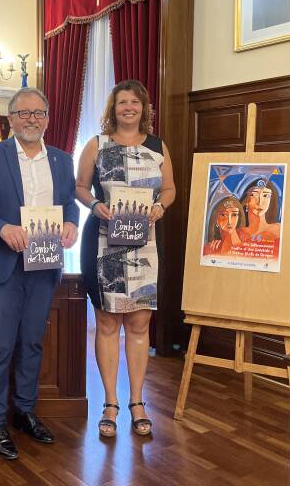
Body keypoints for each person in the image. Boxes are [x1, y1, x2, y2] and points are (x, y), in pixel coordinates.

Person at [0, 87, 79, 460]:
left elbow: (69, 204)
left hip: (44, 265)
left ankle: (24, 411)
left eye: (38, 113)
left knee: (32, 343)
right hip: (1, 267)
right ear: (11, 119)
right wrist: (1, 229)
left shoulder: (61, 160)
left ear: (47, 119)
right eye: (23, 113)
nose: (31, 119)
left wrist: (72, 224)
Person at [76, 80, 175, 438]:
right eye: (122, 103)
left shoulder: (157, 146)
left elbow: (169, 188)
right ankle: (110, 402)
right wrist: (94, 204)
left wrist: (161, 206)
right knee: (106, 325)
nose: (128, 108)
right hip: (102, 243)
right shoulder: (97, 145)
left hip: (144, 244)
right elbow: (80, 187)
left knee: (138, 326)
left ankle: (137, 401)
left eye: (135, 102)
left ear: (144, 108)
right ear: (113, 109)